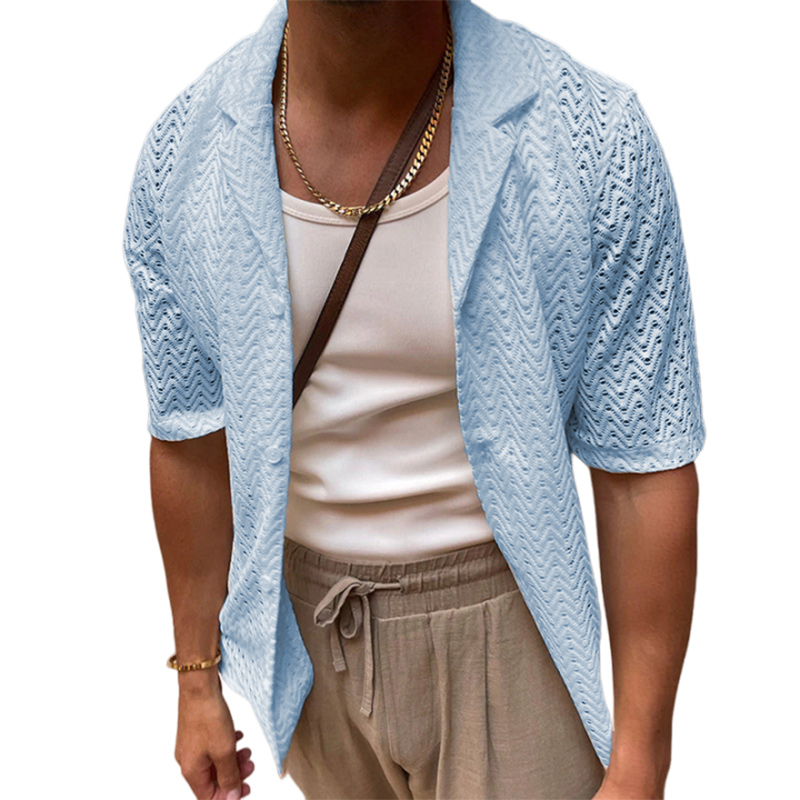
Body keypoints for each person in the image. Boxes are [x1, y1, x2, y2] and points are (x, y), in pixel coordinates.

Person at [122, 0, 706, 798]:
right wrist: (197, 680)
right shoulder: (184, 158)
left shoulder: (590, 137)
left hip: (510, 632)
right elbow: (190, 439)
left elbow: (641, 464)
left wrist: (640, 761)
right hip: (310, 640)